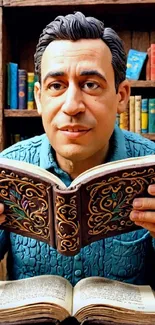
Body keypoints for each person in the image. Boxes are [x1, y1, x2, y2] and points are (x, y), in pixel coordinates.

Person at [0, 11, 155, 287]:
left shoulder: (152, 167)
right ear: (39, 97)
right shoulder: (6, 169)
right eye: (56, 86)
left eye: (91, 85)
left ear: (121, 96)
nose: (72, 106)